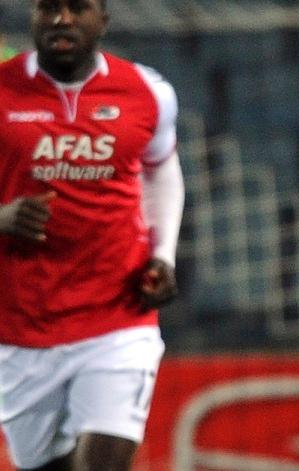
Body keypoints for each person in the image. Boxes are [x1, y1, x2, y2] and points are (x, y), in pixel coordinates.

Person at [0, 0, 184, 470]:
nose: (62, 19)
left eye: (77, 8)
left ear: (102, 20)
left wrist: (163, 255)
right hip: (20, 325)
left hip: (117, 315)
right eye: (49, 7)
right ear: (33, 17)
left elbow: (161, 171)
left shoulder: (148, 91)